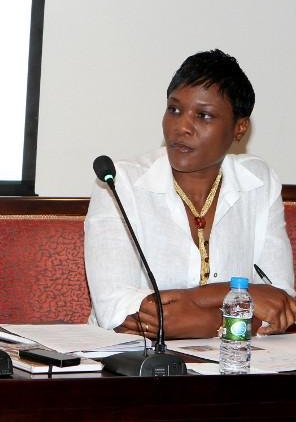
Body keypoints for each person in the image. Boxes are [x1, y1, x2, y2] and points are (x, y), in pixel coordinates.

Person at [85, 49, 296, 339]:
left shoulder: (258, 182)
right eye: (174, 109)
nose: (181, 127)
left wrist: (198, 315)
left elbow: (281, 305)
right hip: (134, 362)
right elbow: (115, 310)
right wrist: (238, 297)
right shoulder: (121, 183)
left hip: (235, 361)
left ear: (239, 128)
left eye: (203, 116)